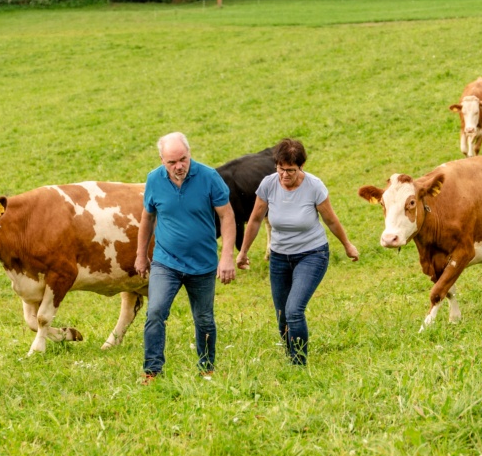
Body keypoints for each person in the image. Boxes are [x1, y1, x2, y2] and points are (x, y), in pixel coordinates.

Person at [237, 138, 359, 365]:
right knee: (282, 317)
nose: (285, 175)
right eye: (281, 169)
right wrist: (243, 252)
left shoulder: (314, 186)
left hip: (312, 254)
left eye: (291, 171)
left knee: (294, 310)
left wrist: (347, 245)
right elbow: (254, 220)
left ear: (301, 167)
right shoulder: (268, 184)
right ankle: (290, 356)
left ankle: (299, 363)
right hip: (279, 258)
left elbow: (330, 220)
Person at [136, 132, 237, 383]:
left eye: (183, 159)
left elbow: (227, 216)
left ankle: (206, 369)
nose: (179, 166)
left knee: (204, 318)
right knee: (155, 312)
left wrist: (226, 257)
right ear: (162, 161)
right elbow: (147, 218)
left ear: (189, 153)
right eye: (172, 162)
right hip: (165, 261)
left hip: (202, 264)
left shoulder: (209, 177)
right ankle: (152, 370)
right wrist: (140, 255)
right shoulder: (154, 180)